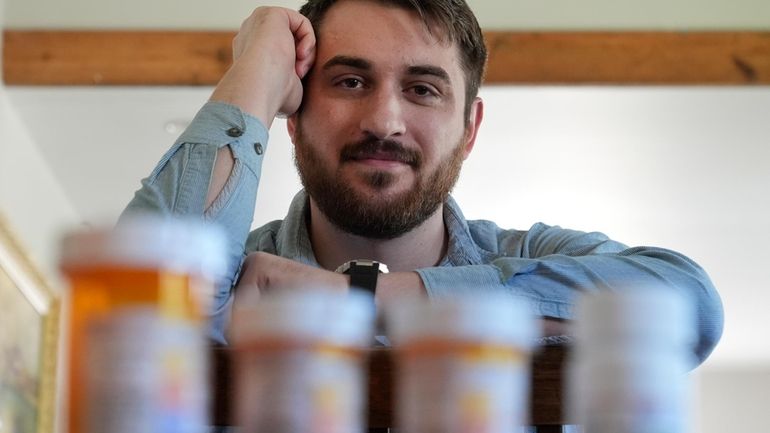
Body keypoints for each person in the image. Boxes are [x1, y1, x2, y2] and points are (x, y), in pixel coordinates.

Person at [123, 0, 723, 364]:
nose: (384, 121)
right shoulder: (229, 277)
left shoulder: (531, 259)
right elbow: (134, 311)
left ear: (469, 128)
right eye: (350, 82)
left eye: (423, 89)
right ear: (294, 115)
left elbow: (689, 308)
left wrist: (362, 301)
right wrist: (254, 73)